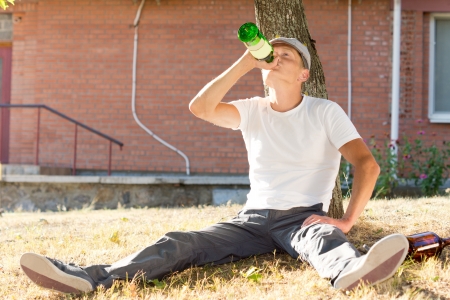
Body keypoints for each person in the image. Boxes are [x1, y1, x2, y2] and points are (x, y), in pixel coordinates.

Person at [20, 37, 409, 294]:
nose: (276, 57)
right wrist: (244, 62)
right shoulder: (251, 109)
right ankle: (89, 279)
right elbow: (200, 108)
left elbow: (366, 164)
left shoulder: (325, 111)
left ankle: (351, 271)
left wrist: (346, 222)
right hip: (251, 220)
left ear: (304, 74)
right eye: (270, 54)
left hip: (301, 217)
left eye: (286, 56)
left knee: (323, 240)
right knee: (180, 243)